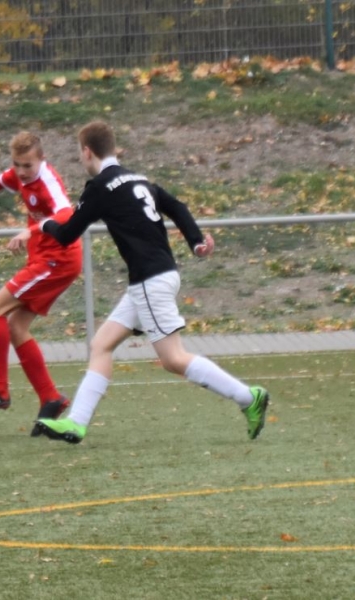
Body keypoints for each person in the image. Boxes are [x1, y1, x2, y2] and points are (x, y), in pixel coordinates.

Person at [34, 120, 269, 444]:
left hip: (149, 280)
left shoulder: (100, 187)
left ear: (87, 152)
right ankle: (76, 423)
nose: (80, 158)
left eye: (79, 153)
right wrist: (196, 242)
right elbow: (177, 207)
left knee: (173, 358)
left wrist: (43, 224)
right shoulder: (139, 179)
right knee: (101, 345)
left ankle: (248, 397)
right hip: (157, 276)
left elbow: (66, 235)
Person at [0, 132, 82, 428]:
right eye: (17, 164)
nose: (21, 172)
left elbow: (66, 213)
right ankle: (50, 397)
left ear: (42, 160)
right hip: (47, 259)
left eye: (27, 166)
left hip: (57, 259)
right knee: (16, 327)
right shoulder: (20, 174)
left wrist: (31, 231)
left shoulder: (47, 181)